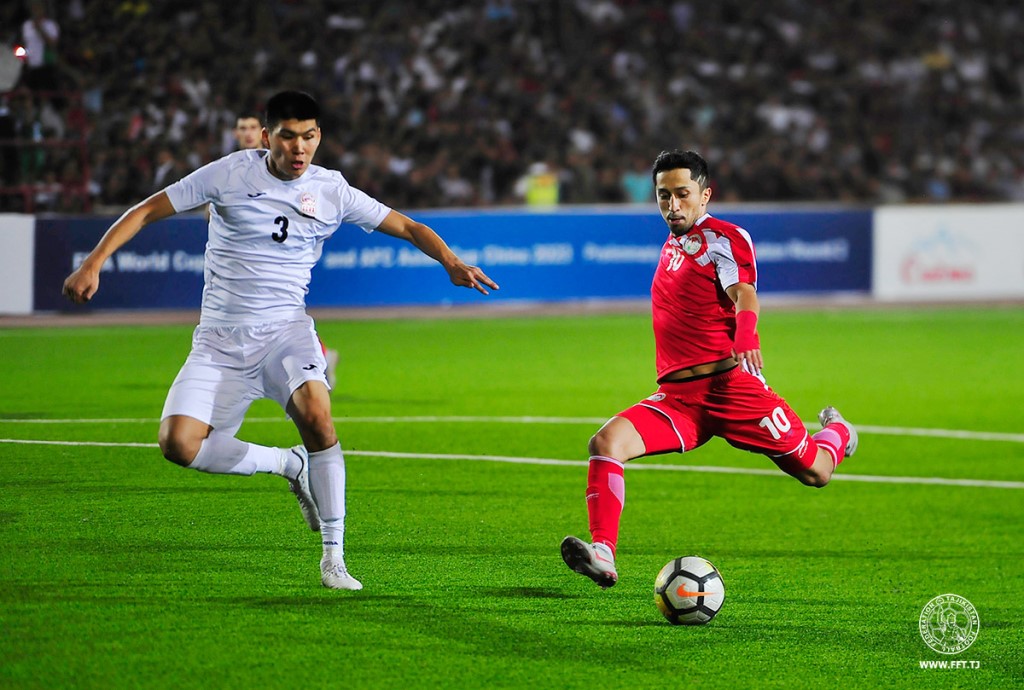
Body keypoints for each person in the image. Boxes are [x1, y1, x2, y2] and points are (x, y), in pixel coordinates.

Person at [63, 90, 499, 590]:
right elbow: (146, 210)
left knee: (317, 414)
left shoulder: (332, 189)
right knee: (178, 445)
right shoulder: (228, 174)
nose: (299, 148)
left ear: (319, 136)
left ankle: (334, 558)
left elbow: (408, 225)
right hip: (219, 342)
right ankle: (288, 464)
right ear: (267, 136)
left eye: (309, 136)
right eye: (288, 137)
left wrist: (451, 262)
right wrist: (94, 262)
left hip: (285, 332)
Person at [560, 149, 857, 589]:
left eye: (682, 194)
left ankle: (840, 432)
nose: (672, 205)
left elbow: (744, 293)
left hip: (732, 389)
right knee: (605, 443)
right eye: (664, 196)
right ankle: (603, 552)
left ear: (705, 195)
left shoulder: (725, 238)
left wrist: (747, 335)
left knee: (817, 472)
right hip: (680, 400)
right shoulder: (673, 243)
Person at [230, 110, 341, 391]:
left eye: (252, 127)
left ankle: (315, 360)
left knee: (282, 315)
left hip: (280, 257)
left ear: (264, 134)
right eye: (242, 127)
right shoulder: (231, 169)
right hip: (246, 257)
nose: (247, 133)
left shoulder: (282, 165)